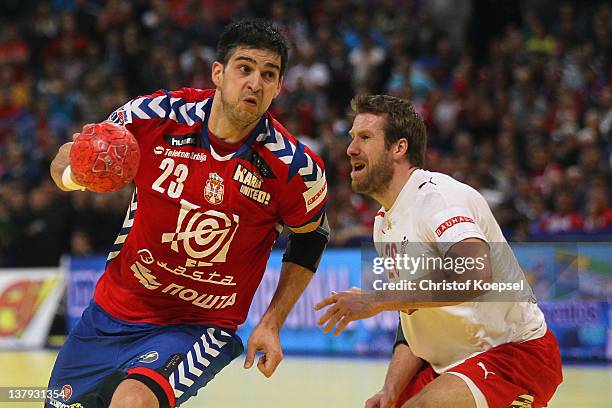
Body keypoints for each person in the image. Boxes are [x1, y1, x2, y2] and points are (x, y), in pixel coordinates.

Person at [47, 19, 329, 408]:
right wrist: (75, 174)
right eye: (244, 69)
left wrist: (272, 321)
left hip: (198, 325)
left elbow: (312, 234)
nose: (255, 83)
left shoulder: (294, 168)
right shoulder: (151, 117)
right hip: (111, 311)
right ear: (218, 72)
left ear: (279, 87)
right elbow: (68, 157)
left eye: (269, 75)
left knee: (133, 403)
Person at [315, 95, 562, 408]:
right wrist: (390, 389)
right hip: (451, 365)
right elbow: (411, 318)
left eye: (364, 138)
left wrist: (374, 299)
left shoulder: (436, 199)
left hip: (513, 354)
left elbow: (473, 277)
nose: (350, 149)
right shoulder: (383, 223)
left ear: (398, 148)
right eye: (352, 138)